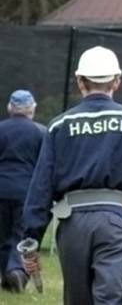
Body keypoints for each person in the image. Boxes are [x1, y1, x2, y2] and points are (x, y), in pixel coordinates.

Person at [22, 46, 122, 304]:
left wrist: (32, 236)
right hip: (114, 222)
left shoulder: (59, 125)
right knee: (112, 296)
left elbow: (41, 186)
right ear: (117, 81)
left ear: (80, 81)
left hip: (71, 225)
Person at [0, 90, 45, 293]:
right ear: (32, 109)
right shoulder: (41, 133)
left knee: (2, 234)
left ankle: (5, 275)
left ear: (10, 108)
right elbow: (45, 166)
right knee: (20, 234)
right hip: (26, 192)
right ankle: (16, 270)